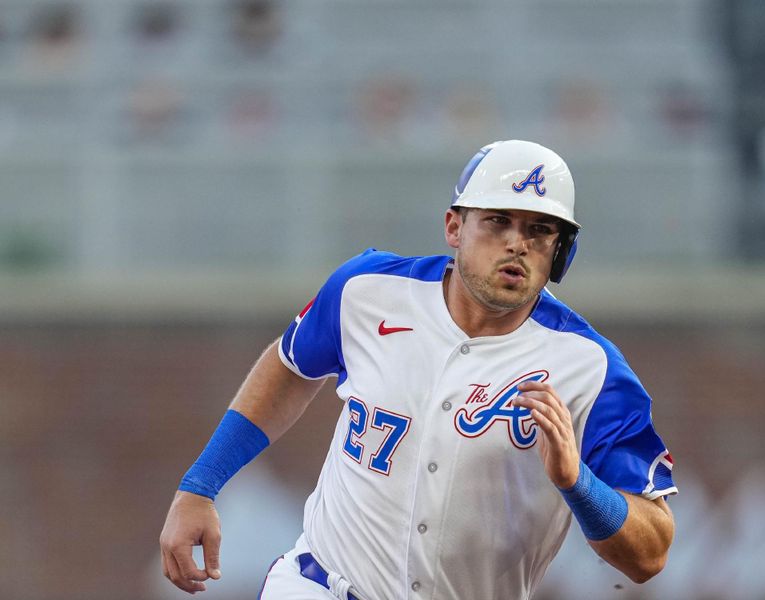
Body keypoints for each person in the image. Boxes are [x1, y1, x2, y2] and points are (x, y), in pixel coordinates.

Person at [159, 140, 677, 599]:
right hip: (321, 583)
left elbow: (650, 554)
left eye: (540, 231)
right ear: (455, 226)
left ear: (561, 251)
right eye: (498, 221)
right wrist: (200, 485)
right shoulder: (369, 291)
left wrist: (577, 482)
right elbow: (292, 365)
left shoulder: (590, 367)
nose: (517, 243)